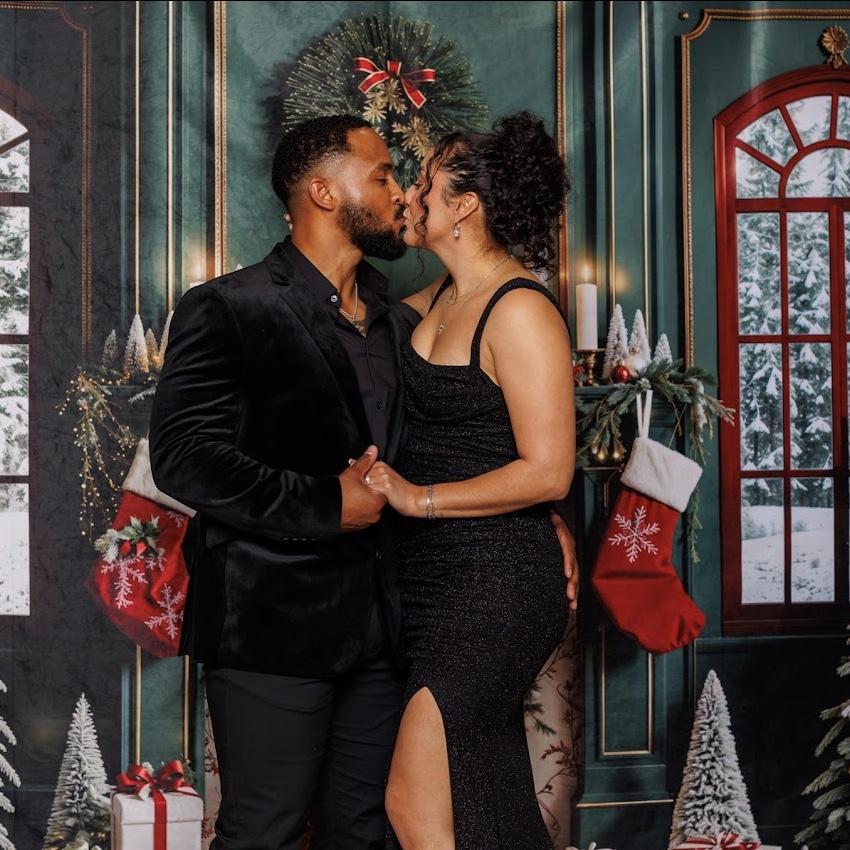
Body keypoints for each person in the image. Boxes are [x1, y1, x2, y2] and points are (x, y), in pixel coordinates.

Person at [148, 114, 577, 850]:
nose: (401, 192)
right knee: (264, 832)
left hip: (389, 626)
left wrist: (541, 520)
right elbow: (184, 456)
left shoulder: (393, 314)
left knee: (372, 829)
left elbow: (478, 443)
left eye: (411, 178)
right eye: (383, 176)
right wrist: (326, 504)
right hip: (275, 626)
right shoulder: (229, 306)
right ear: (324, 192)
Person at [364, 113, 575, 850]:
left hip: (496, 583)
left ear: (464, 205)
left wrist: (416, 498)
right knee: (487, 794)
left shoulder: (520, 310)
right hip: (432, 578)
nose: (411, 194)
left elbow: (549, 470)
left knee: (414, 805)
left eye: (425, 182)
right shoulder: (435, 299)